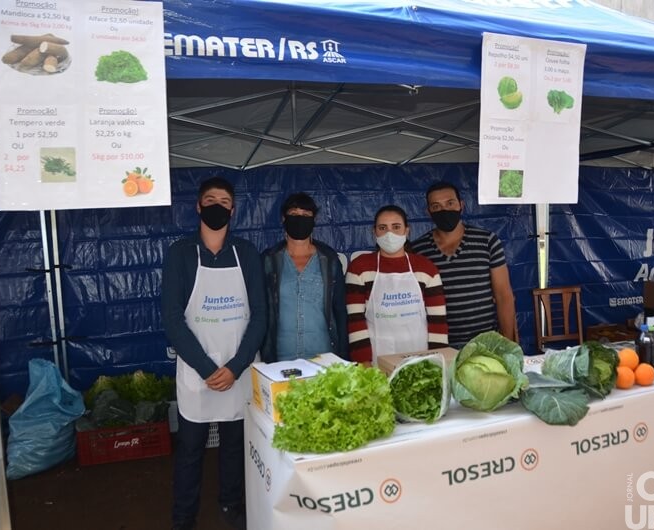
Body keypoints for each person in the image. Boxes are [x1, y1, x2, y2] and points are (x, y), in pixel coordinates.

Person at [161, 177, 266, 530]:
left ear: (233, 210)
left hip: (239, 369)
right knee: (190, 449)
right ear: (198, 206)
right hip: (197, 372)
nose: (217, 206)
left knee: (235, 446)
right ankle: (183, 517)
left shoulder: (246, 253)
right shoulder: (180, 253)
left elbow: (260, 315)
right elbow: (172, 318)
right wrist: (207, 368)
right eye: (210, 200)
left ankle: (230, 505)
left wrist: (235, 366)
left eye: (224, 201)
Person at [410, 181, 517, 347]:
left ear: (461, 205)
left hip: (485, 344)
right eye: (436, 206)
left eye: (450, 203)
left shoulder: (487, 241)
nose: (444, 210)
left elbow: (503, 296)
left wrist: (508, 344)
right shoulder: (418, 250)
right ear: (428, 212)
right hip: (439, 346)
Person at [346, 205, 448, 364]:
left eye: (396, 227)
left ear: (407, 231)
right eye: (382, 228)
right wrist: (363, 362)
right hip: (376, 360)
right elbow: (355, 320)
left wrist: (437, 361)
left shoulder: (426, 268)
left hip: (421, 358)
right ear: (374, 232)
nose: (389, 234)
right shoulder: (359, 268)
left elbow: (438, 321)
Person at [262, 192, 348, 362]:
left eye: (306, 215)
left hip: (324, 356)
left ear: (314, 220)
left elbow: (340, 310)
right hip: (281, 358)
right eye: (294, 214)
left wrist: (345, 356)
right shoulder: (268, 260)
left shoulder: (329, 259)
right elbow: (261, 310)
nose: (299, 219)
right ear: (283, 219)